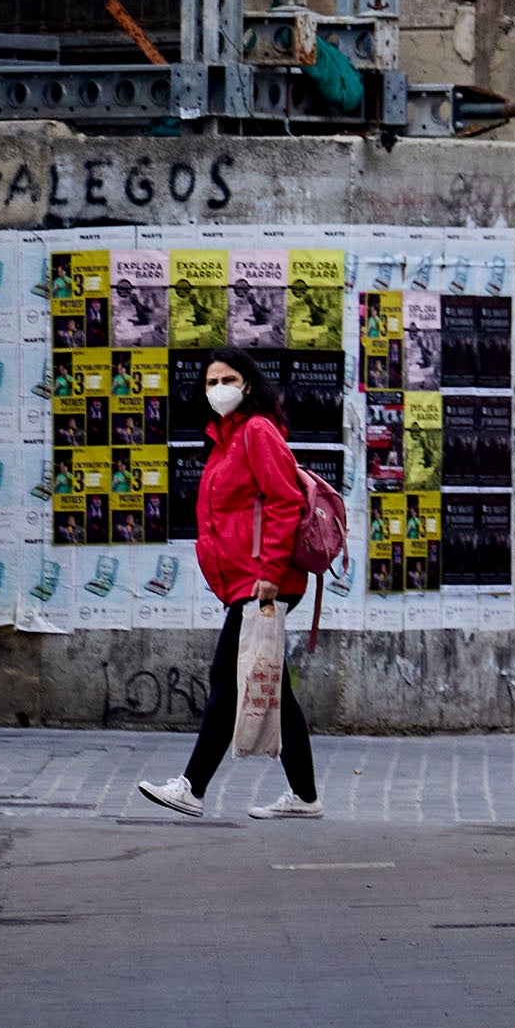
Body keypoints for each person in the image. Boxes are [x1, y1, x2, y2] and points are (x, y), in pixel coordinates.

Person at [139, 348, 322, 821]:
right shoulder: (225, 439)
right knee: (272, 686)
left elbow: (284, 503)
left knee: (227, 677)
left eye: (229, 378)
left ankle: (191, 787)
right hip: (251, 579)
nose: (219, 387)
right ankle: (305, 797)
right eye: (211, 380)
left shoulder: (256, 432)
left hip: (266, 580)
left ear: (248, 384)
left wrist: (268, 573)